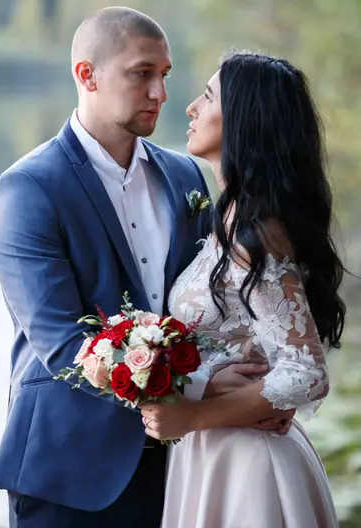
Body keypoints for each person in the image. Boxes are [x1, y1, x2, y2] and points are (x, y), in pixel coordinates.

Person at [0, 10, 291, 528]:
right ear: (88, 75)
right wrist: (204, 384)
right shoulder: (28, 190)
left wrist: (258, 385)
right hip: (73, 471)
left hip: (187, 461)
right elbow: (63, 344)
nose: (160, 93)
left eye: (165, 75)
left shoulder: (183, 173)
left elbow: (214, 302)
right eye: (141, 73)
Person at [141, 52, 346, 528]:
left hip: (249, 465)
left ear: (245, 122)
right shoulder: (235, 218)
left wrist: (191, 418)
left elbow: (305, 372)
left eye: (208, 97)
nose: (190, 107)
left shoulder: (253, 230)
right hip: (218, 450)